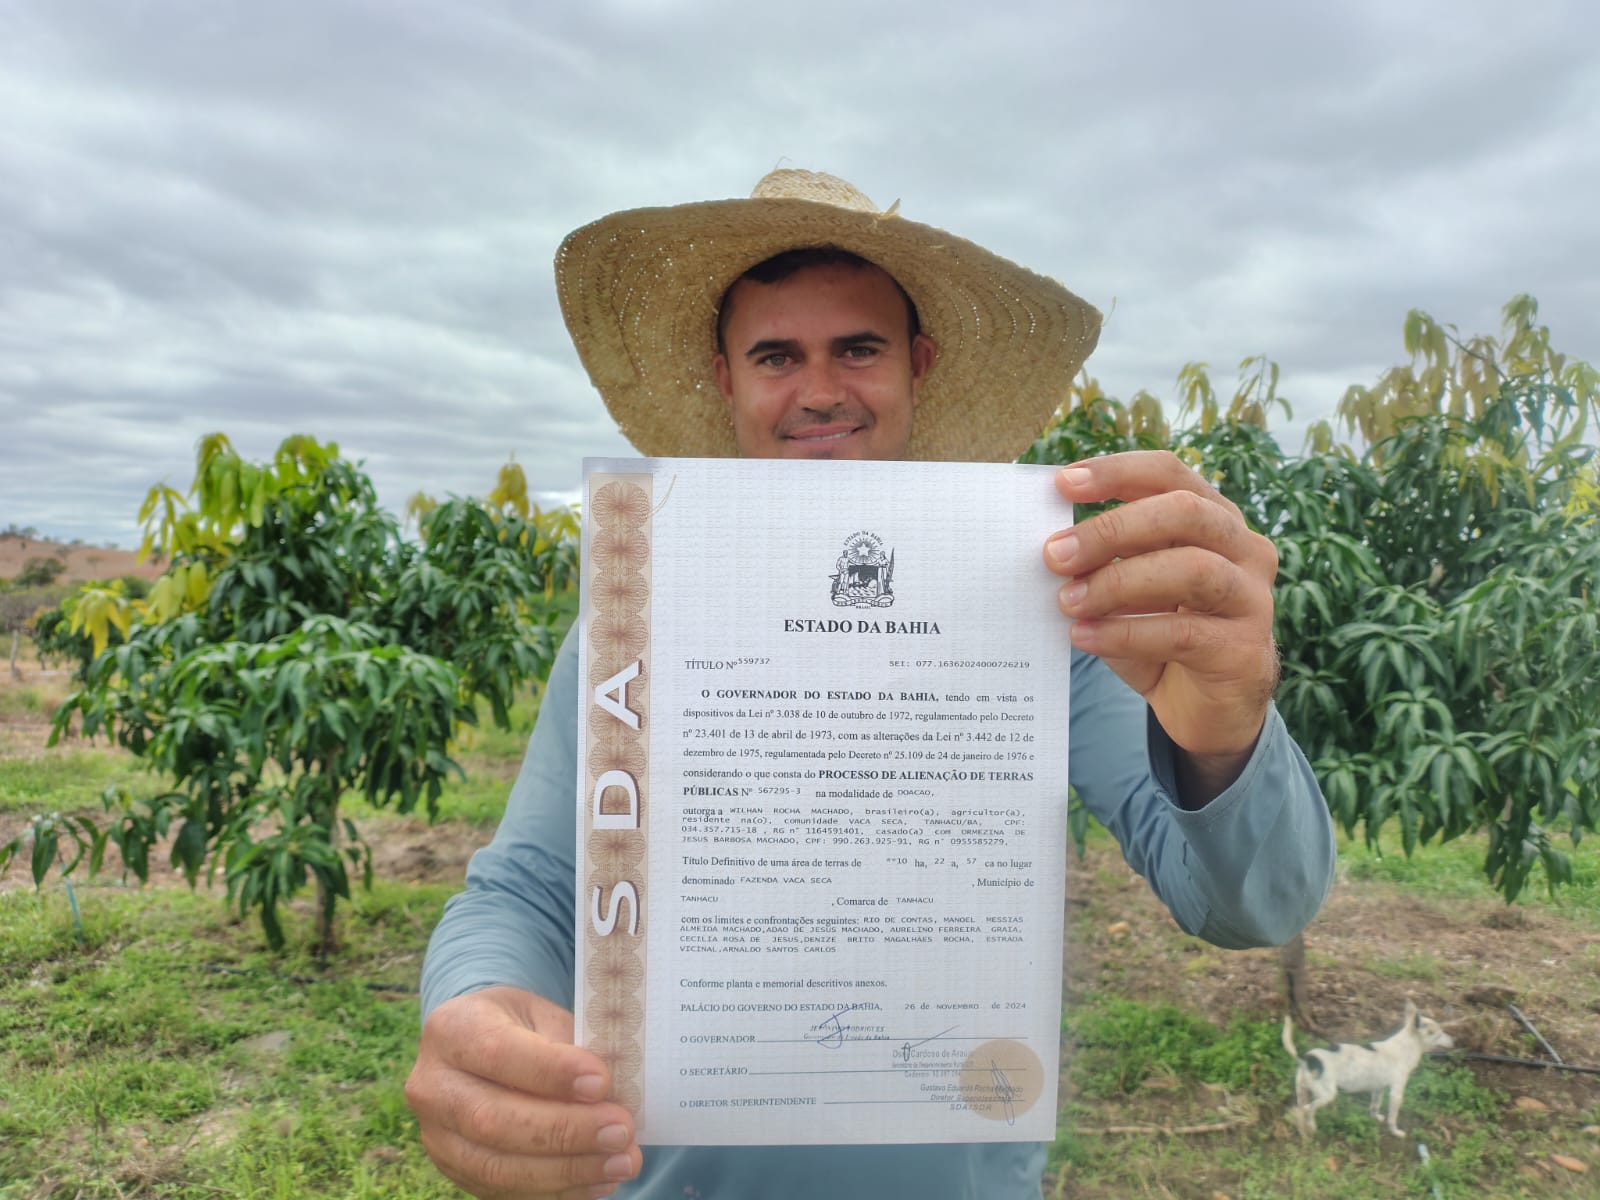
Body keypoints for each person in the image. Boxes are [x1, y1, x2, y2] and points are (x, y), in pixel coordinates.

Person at [406, 169, 1335, 1199]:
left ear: (916, 364)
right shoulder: (638, 602)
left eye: (856, 348)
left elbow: (1254, 905)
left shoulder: (1041, 601)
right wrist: (477, 1001)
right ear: (724, 378)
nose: (817, 390)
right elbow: (533, 883)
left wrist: (1221, 732)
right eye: (775, 355)